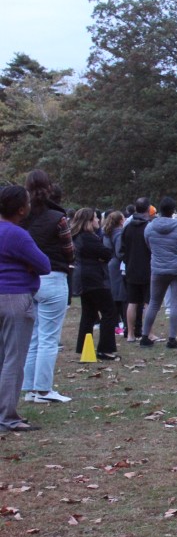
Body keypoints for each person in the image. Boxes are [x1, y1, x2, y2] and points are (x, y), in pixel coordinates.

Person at [20, 169, 74, 405]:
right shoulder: (58, 218)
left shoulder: (20, 217)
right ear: (49, 188)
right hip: (53, 276)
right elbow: (69, 250)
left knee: (33, 337)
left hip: (28, 279)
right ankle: (43, 389)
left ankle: (30, 388)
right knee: (49, 338)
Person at [0, 186, 51, 432]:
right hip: (14, 297)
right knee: (14, 359)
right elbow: (44, 264)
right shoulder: (17, 235)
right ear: (21, 209)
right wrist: (25, 265)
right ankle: (7, 416)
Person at [140, 198, 177, 349]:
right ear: (173, 210)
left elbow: (148, 244)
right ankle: (172, 339)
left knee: (154, 303)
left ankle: (145, 336)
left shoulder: (150, 227)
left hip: (157, 268)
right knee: (176, 304)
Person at [70, 208, 119, 361]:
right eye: (95, 218)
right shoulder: (88, 238)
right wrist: (101, 258)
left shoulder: (78, 237)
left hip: (84, 278)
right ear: (89, 222)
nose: (98, 220)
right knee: (109, 311)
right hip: (94, 279)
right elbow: (106, 253)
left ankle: (84, 347)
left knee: (89, 313)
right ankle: (105, 349)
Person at [118, 198, 153, 343]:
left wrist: (127, 261)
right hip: (147, 268)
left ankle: (130, 334)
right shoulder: (149, 227)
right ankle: (148, 332)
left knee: (132, 302)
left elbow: (122, 249)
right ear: (148, 209)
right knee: (148, 302)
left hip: (131, 267)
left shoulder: (127, 227)